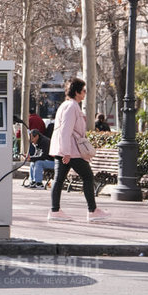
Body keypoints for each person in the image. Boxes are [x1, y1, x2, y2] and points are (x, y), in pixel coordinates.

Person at [48, 77, 110, 222]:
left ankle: (55, 210)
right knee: (87, 176)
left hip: (63, 149)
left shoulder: (65, 105)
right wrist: (66, 152)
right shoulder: (72, 107)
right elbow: (66, 130)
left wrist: (63, 151)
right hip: (71, 151)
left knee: (58, 180)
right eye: (83, 91)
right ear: (77, 92)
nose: (85, 93)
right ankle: (92, 211)